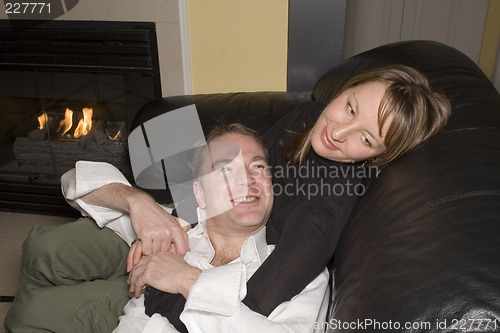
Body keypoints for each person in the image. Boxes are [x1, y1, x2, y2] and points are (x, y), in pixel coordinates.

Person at [5, 65, 451, 332]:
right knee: (44, 247)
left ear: (377, 157)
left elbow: (255, 304)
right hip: (193, 225)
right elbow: (230, 156)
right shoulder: (308, 116)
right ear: (345, 89)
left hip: (203, 275)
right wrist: (157, 215)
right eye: (350, 107)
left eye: (366, 139)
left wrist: (166, 276)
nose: (338, 132)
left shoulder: (323, 211)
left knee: (36, 308)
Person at [112, 123, 329, 332]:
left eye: (258, 166)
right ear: (199, 194)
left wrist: (187, 280)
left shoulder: (302, 268)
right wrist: (136, 201)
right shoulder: (168, 231)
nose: (247, 179)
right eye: (226, 169)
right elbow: (81, 183)